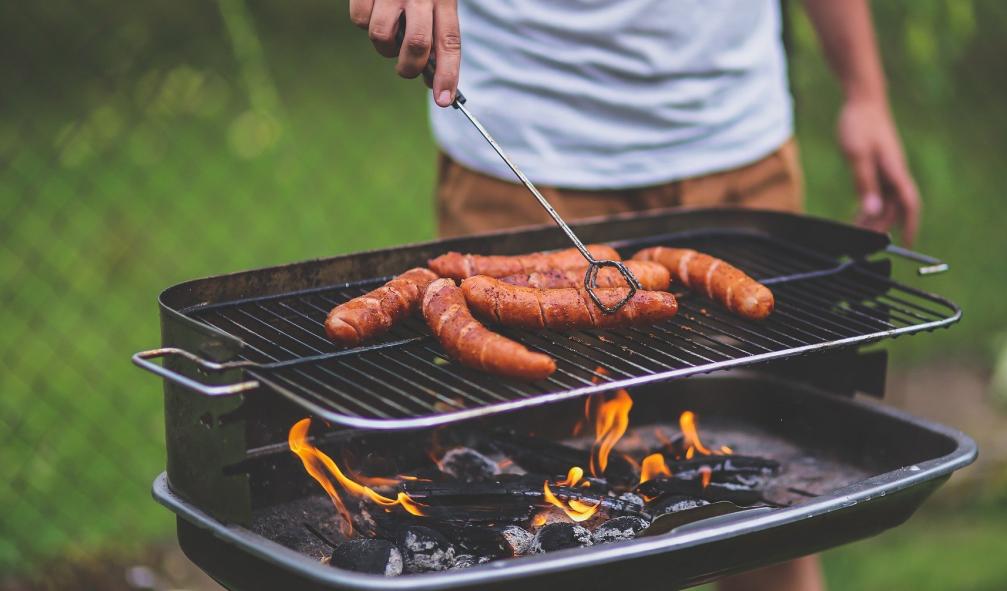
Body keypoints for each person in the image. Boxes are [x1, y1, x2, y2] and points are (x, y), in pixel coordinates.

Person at [347, 1, 919, 588]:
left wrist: (865, 92)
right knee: (525, 513)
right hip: (521, 147)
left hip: (737, 143)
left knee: (768, 504)